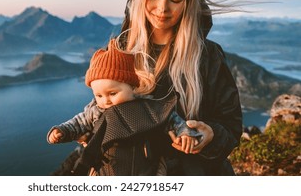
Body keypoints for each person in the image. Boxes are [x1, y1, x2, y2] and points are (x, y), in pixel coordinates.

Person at [117, 0, 242, 175]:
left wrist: (210, 134)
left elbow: (231, 126)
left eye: (175, 0)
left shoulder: (208, 56)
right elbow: (101, 107)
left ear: (189, 2)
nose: (162, 8)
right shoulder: (120, 51)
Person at [47, 38, 202, 175]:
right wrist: (62, 131)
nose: (106, 100)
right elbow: (78, 123)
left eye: (112, 93)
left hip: (150, 168)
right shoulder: (96, 110)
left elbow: (174, 121)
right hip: (105, 167)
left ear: (132, 87)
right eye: (98, 95)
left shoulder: (149, 106)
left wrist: (186, 134)